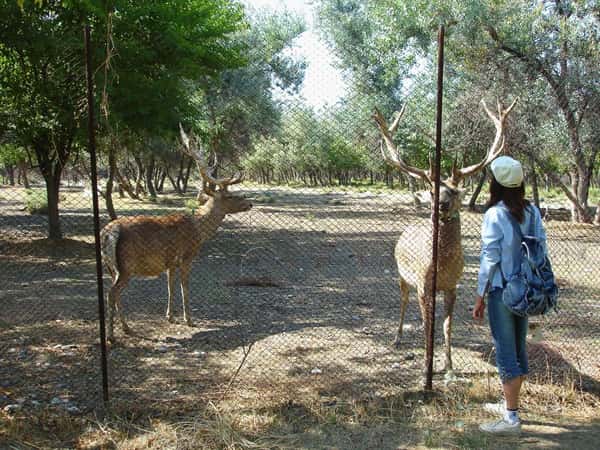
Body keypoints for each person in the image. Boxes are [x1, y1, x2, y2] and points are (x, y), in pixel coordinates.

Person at [472, 156, 547, 434]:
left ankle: (511, 419)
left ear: (496, 184)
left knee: (506, 354)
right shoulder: (533, 212)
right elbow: (541, 250)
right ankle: (510, 405)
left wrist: (480, 295)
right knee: (518, 348)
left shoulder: (495, 214)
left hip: (503, 292)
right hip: (527, 290)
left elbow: (489, 259)